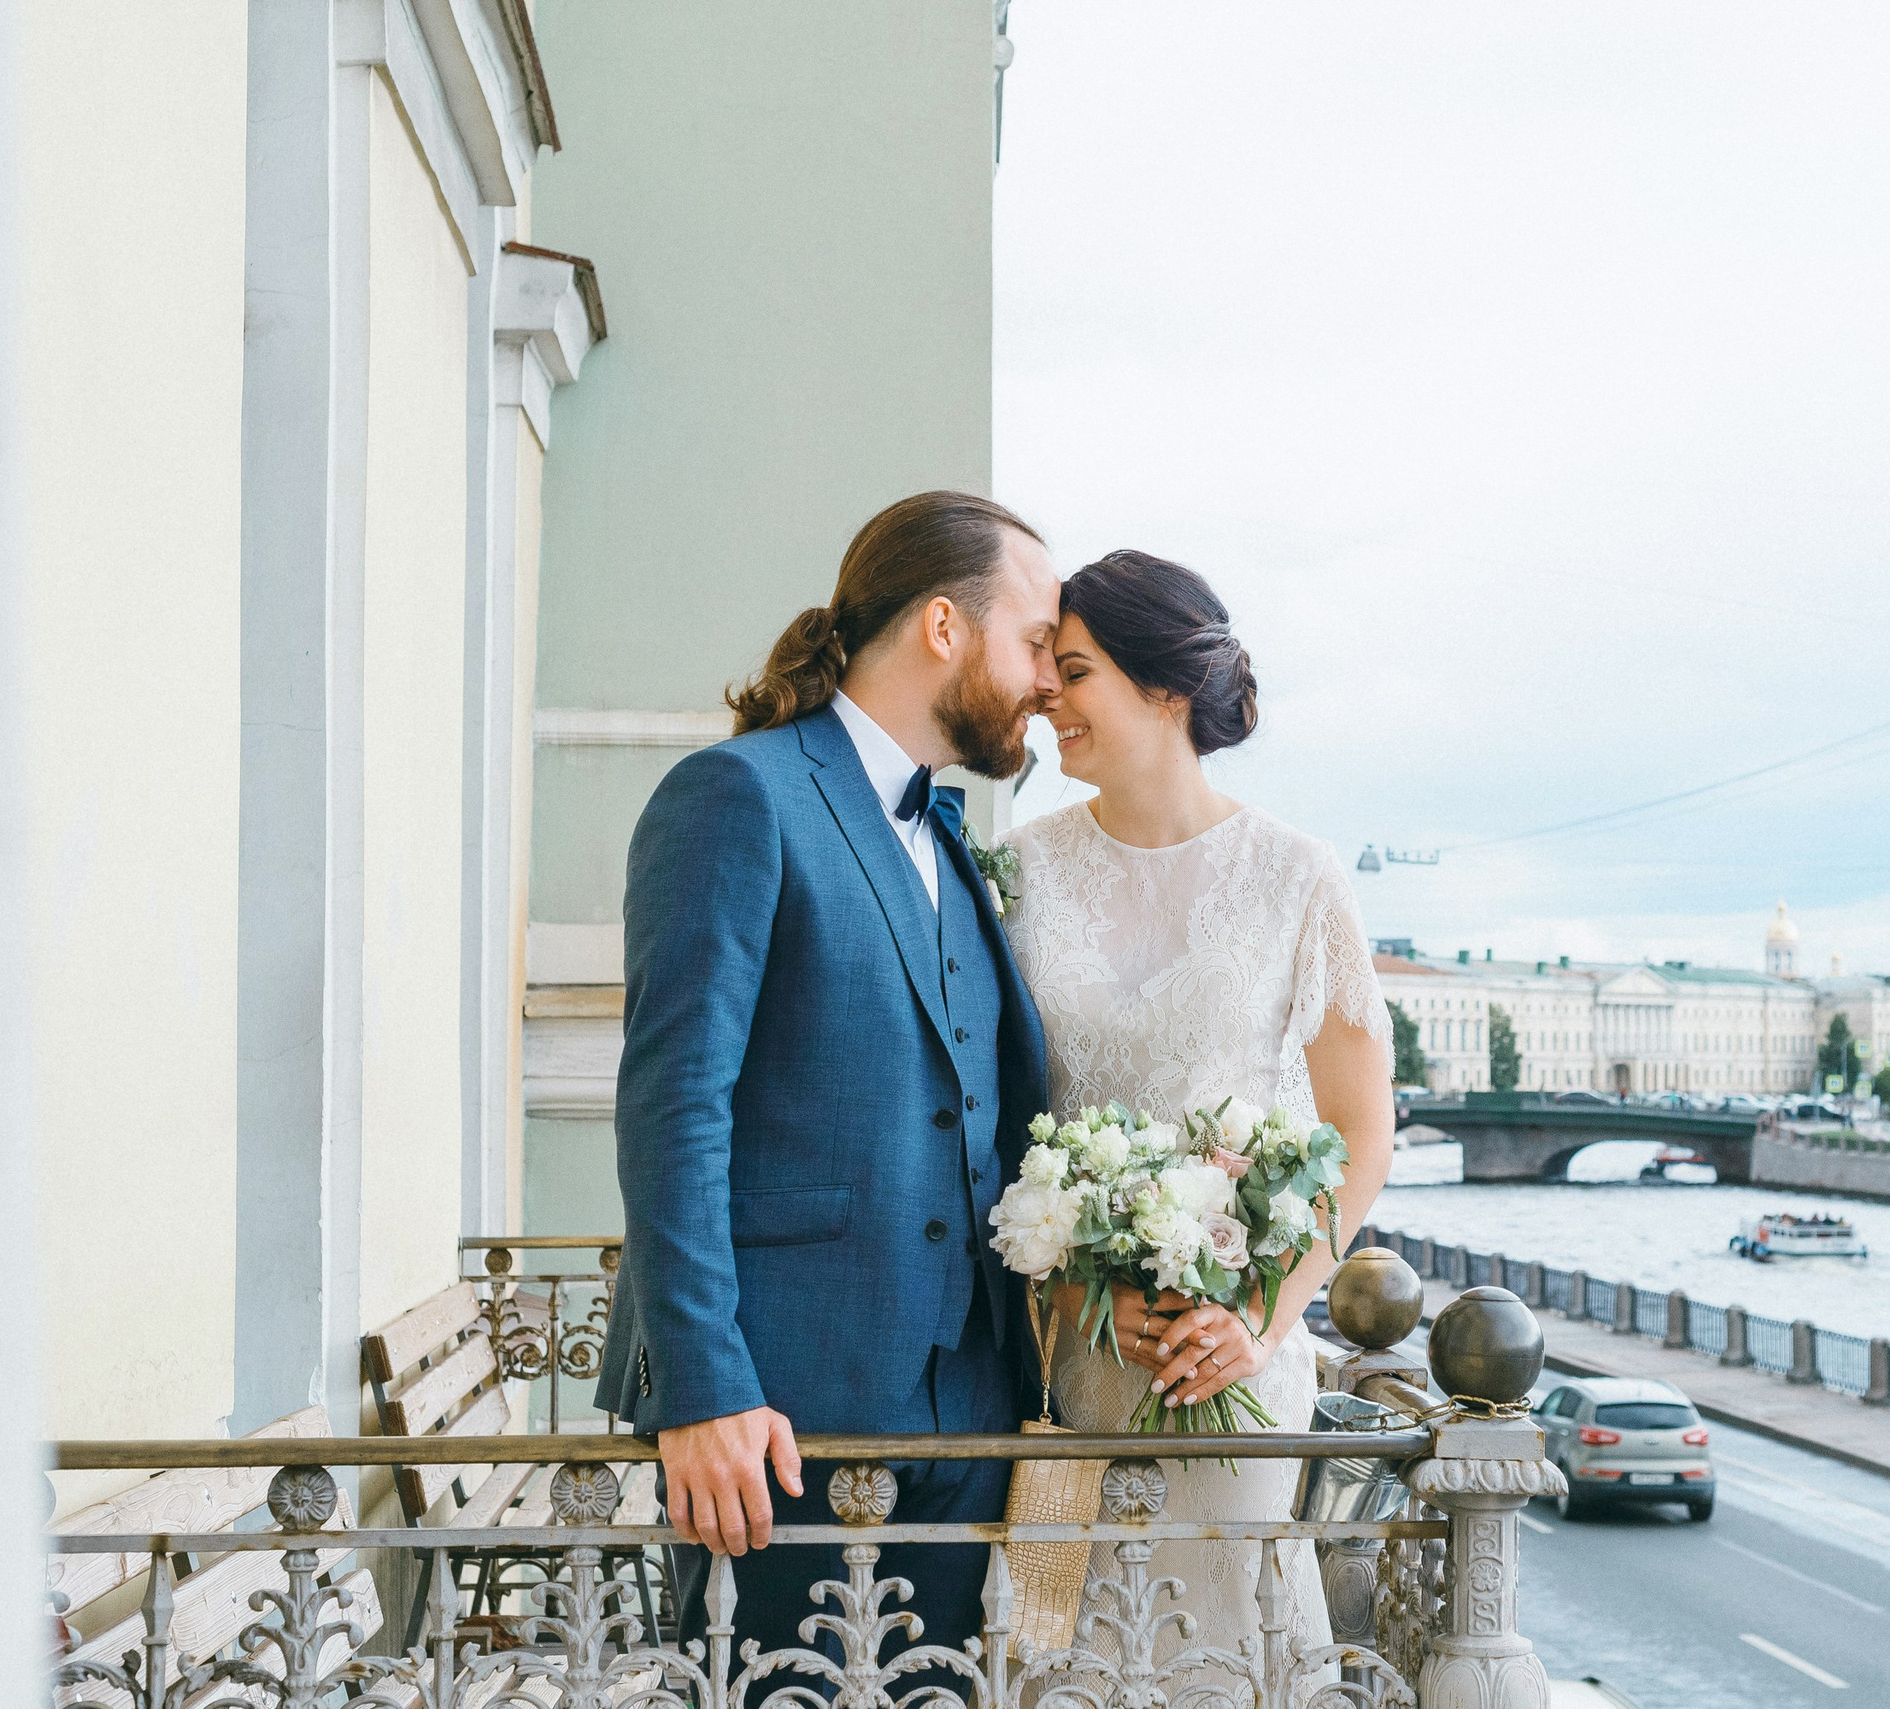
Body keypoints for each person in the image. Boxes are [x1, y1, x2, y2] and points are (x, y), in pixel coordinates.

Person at [594, 490, 1063, 1659]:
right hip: (771, 1425)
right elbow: (673, 1107)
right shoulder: (737, 796)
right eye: (1036, 641)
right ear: (944, 627)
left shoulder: (950, 836)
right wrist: (701, 1388)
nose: (1049, 679)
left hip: (970, 1419)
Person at [1001, 549, 1396, 1659]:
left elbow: (1362, 1133)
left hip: (1234, 1357)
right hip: (1071, 1359)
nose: (1046, 696)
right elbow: (985, 1119)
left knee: (1220, 1654)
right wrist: (1073, 1291)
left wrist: (1261, 1317)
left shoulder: (1298, 875)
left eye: (1072, 671)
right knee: (1062, 1648)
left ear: (1165, 688)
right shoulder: (1017, 874)